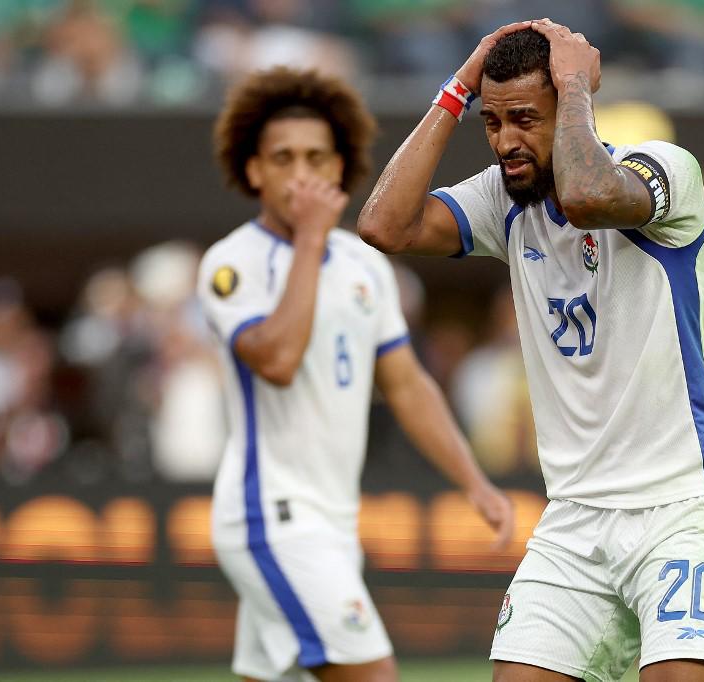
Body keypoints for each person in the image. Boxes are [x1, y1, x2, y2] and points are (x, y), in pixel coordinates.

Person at [358, 19, 704, 682]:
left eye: (525, 119)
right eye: (493, 122)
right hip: (574, 517)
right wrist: (457, 89)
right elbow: (383, 224)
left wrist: (573, 86)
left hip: (683, 505)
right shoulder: (504, 200)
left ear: (573, 106)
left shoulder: (665, 173)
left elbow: (589, 196)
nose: (506, 141)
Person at [200, 66, 514, 682]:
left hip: (333, 521)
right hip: (274, 517)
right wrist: (313, 243)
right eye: (283, 158)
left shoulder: (364, 268)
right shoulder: (231, 264)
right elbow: (278, 361)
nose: (302, 173)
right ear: (254, 170)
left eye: (317, 157)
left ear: (341, 167)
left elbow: (406, 384)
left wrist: (473, 481)